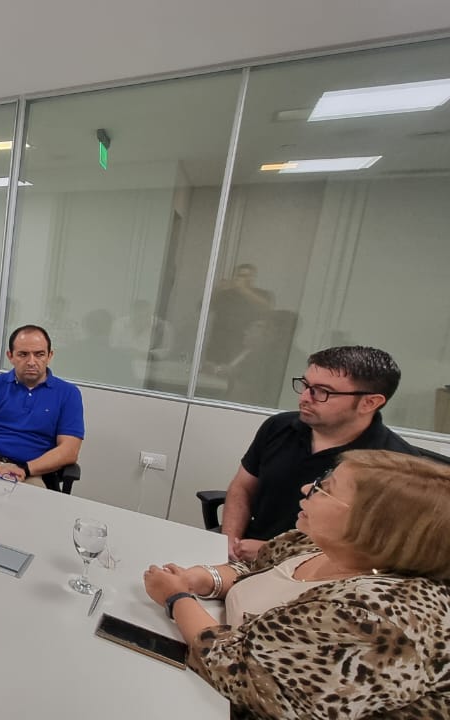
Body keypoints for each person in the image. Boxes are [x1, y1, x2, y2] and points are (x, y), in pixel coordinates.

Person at [143, 450, 450, 718]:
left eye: (325, 489)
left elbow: (249, 679)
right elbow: (257, 569)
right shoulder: (316, 543)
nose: (307, 488)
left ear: (373, 526)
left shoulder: (375, 618)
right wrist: (205, 578)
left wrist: (177, 598)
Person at [220, 346, 415, 562]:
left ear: (370, 402)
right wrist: (228, 541)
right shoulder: (279, 427)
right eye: (305, 385)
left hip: (314, 573)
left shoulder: (392, 466)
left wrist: (275, 552)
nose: (305, 397)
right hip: (244, 555)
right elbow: (242, 487)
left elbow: (375, 551)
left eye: (322, 391)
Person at [0, 325, 84, 488]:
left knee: (25, 502)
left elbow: (69, 450)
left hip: (30, 472)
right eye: (23, 354)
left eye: (39, 354)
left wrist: (25, 469)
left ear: (50, 356)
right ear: (10, 356)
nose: (31, 362)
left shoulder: (68, 393)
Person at [204, 263, 274, 364]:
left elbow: (267, 307)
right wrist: (216, 290)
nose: (242, 279)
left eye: (245, 276)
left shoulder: (261, 294)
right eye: (239, 275)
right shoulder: (225, 294)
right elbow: (203, 308)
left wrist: (242, 289)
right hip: (217, 346)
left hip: (241, 349)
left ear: (253, 278)